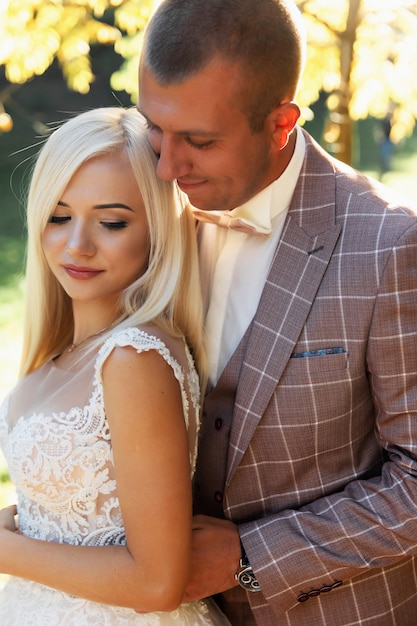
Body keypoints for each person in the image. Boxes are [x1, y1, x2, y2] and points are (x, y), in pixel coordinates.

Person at [137, 1, 417, 624]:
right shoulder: (135, 209)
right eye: (155, 128)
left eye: (200, 141)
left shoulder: (389, 245)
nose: (164, 166)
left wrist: (250, 557)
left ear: (281, 122)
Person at [0, 107, 231, 625]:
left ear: (157, 231)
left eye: (110, 222)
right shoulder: (61, 357)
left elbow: (158, 581)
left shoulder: (134, 360)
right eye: (59, 216)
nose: (77, 244)